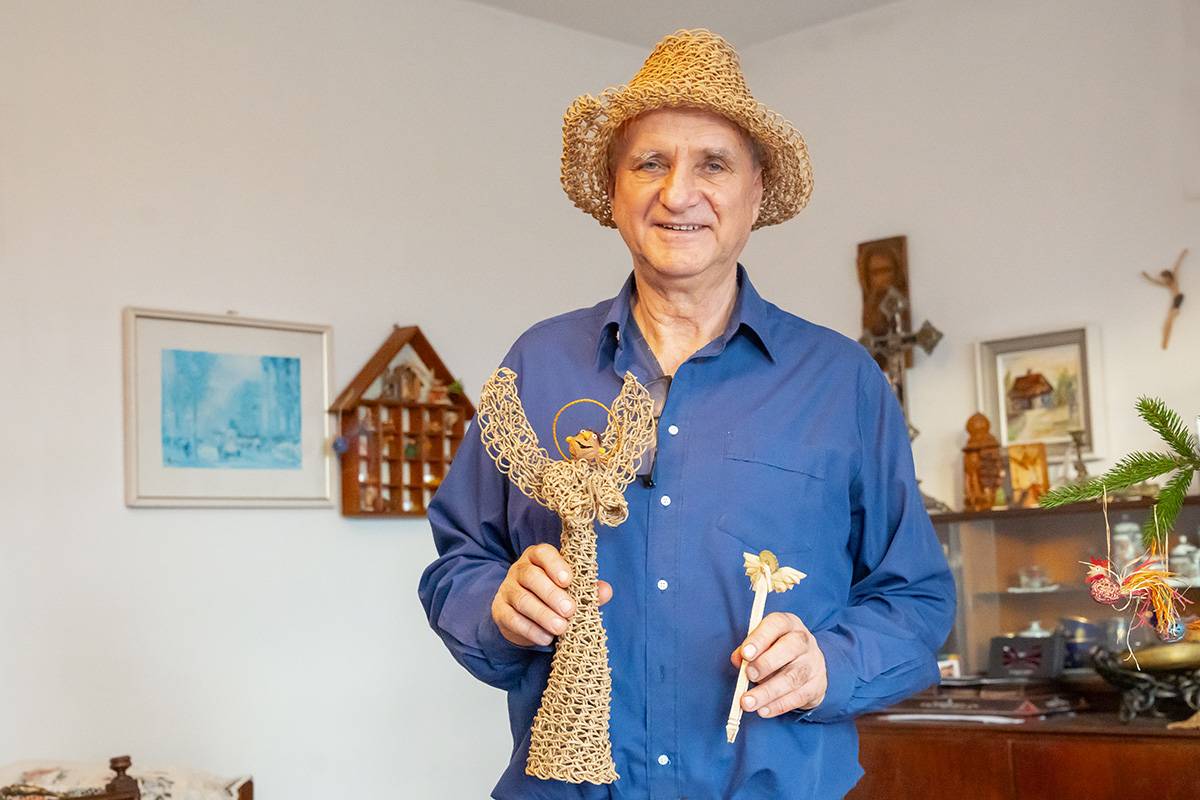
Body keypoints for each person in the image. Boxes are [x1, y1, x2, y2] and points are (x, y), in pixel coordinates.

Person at [418, 29, 955, 799]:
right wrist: (496, 606)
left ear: (756, 193)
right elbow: (458, 563)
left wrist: (829, 664)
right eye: (650, 163)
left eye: (712, 164)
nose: (677, 194)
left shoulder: (842, 383)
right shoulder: (537, 367)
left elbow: (917, 599)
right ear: (614, 191)